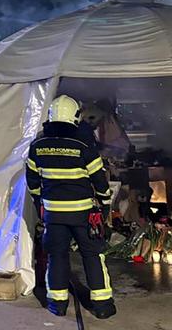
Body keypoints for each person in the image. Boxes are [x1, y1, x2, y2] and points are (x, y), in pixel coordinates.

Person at [26, 95, 116, 319]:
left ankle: (57, 304)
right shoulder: (83, 145)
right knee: (92, 254)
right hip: (83, 214)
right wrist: (105, 203)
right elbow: (99, 180)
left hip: (53, 215)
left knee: (57, 256)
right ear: (75, 117)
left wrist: (41, 206)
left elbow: (33, 183)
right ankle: (102, 305)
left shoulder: (37, 146)